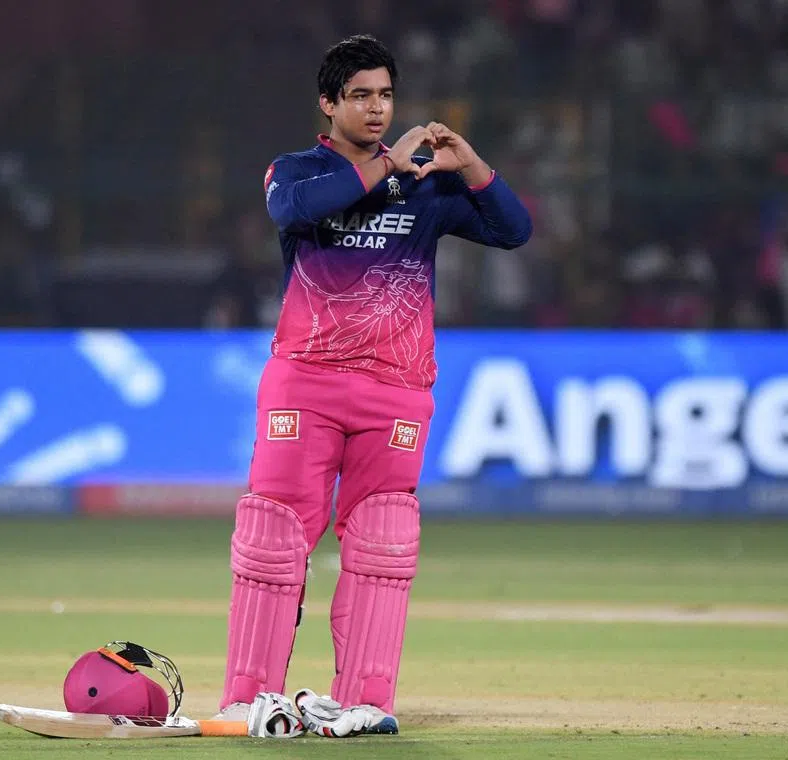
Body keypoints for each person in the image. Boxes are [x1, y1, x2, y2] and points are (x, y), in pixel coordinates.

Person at [217, 34, 532, 737]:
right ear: (327, 104)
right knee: (272, 534)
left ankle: (363, 700)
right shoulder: (295, 171)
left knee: (383, 541)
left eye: (385, 95)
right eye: (359, 95)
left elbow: (515, 230)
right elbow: (295, 212)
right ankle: (249, 698)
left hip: (396, 391)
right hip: (307, 382)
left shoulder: (428, 186)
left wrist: (470, 166)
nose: (376, 108)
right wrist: (389, 168)